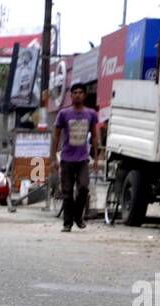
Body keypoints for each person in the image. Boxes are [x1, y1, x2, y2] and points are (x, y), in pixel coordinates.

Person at [52, 83, 100, 232]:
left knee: (84, 188)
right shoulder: (64, 114)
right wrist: (53, 157)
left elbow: (95, 137)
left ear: (84, 95)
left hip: (83, 160)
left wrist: (96, 158)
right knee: (67, 193)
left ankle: (78, 216)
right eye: (75, 92)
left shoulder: (91, 114)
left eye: (80, 92)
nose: (78, 95)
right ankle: (67, 223)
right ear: (71, 96)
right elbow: (56, 135)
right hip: (66, 159)